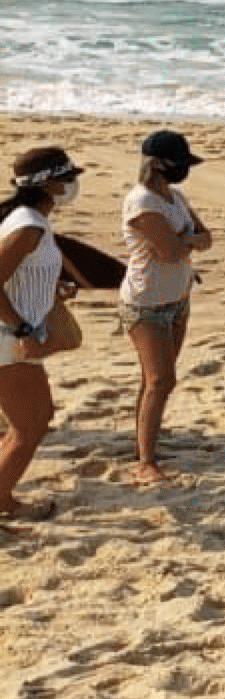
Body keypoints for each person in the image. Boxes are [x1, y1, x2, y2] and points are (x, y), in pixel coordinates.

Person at [121, 129, 213, 486]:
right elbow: (172, 252)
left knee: (155, 380)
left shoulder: (175, 197)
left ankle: (145, 443)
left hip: (177, 296)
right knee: (161, 379)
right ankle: (146, 462)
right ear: (157, 164)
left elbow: (206, 238)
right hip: (146, 302)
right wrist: (187, 242)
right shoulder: (142, 203)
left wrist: (185, 241)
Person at [0, 147, 84, 523]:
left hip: (14, 336)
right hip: (8, 339)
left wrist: (53, 287)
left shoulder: (29, 220)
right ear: (47, 184)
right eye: (67, 179)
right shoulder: (28, 225)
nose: (72, 186)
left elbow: (21, 274)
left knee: (34, 420)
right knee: (28, 426)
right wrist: (20, 328)